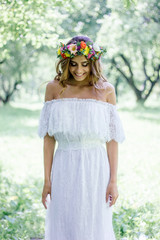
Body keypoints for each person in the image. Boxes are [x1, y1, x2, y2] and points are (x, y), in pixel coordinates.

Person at [38, 35, 125, 240]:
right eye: (73, 64)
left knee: (93, 222)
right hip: (64, 165)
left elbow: (111, 140)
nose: (79, 70)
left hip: (96, 166)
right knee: (64, 219)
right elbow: (49, 140)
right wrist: (47, 180)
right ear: (65, 62)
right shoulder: (54, 89)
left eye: (85, 64)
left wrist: (113, 180)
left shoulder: (106, 90)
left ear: (93, 63)